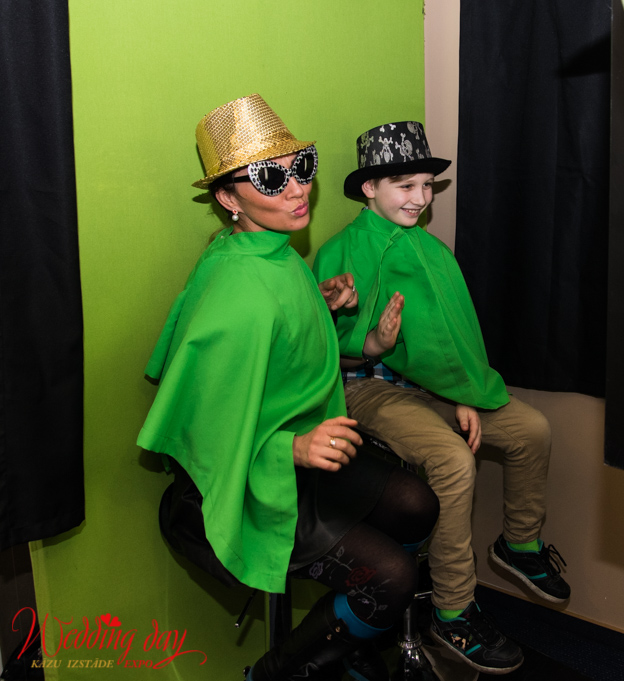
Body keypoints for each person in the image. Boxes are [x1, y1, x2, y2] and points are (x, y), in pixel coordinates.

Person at [137, 96, 439, 681]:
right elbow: (201, 418)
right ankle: (274, 673)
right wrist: (292, 448)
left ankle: (349, 642)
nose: (298, 189)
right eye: (270, 178)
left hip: (298, 448)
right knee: (391, 577)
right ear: (229, 199)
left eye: (302, 167)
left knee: (417, 504)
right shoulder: (238, 288)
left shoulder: (271, 249)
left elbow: (266, 355)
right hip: (247, 472)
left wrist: (318, 307)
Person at [313, 121, 570, 676]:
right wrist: (373, 343)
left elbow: (450, 341)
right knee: (453, 459)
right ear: (369, 189)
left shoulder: (432, 251)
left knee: (531, 429)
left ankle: (520, 544)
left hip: (427, 388)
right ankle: (453, 610)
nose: (420, 197)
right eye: (405, 185)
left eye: (427, 185)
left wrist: (461, 392)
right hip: (366, 389)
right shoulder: (340, 252)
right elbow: (322, 357)